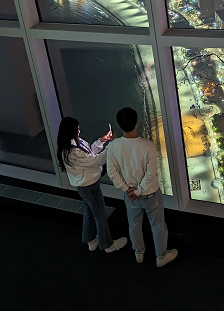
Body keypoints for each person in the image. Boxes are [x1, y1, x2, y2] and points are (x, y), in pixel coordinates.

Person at [106, 107, 178, 267]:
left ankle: (139, 253)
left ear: (119, 125)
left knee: (134, 225)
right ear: (137, 122)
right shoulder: (147, 146)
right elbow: (150, 174)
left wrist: (128, 190)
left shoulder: (113, 146)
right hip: (150, 195)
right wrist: (138, 191)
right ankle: (161, 256)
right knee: (158, 226)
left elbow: (112, 173)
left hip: (130, 196)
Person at [56, 117, 128, 254]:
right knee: (100, 215)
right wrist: (112, 145)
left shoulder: (70, 144)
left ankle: (90, 240)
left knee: (90, 211)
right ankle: (108, 245)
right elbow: (97, 160)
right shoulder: (73, 151)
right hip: (89, 186)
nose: (79, 130)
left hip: (85, 185)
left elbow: (89, 152)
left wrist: (102, 140)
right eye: (77, 129)